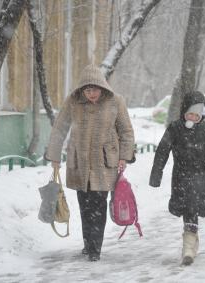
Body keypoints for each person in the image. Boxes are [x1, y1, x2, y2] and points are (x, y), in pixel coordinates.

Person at [45, 64, 135, 261]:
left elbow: (126, 131)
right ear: (81, 90)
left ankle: (95, 249)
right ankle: (88, 244)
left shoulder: (115, 101)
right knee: (84, 206)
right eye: (87, 90)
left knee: (98, 205)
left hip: (104, 163)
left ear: (102, 87)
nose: (91, 93)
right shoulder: (73, 101)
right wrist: (54, 157)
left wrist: (124, 157)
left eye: (94, 89)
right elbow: (60, 128)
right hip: (80, 163)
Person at [149, 90, 205, 266]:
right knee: (187, 209)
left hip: (201, 179)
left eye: (197, 114)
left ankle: (188, 246)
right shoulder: (175, 128)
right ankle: (190, 244)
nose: (193, 118)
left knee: (192, 209)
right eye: (190, 114)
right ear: (184, 112)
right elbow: (162, 151)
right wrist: (157, 173)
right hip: (180, 177)